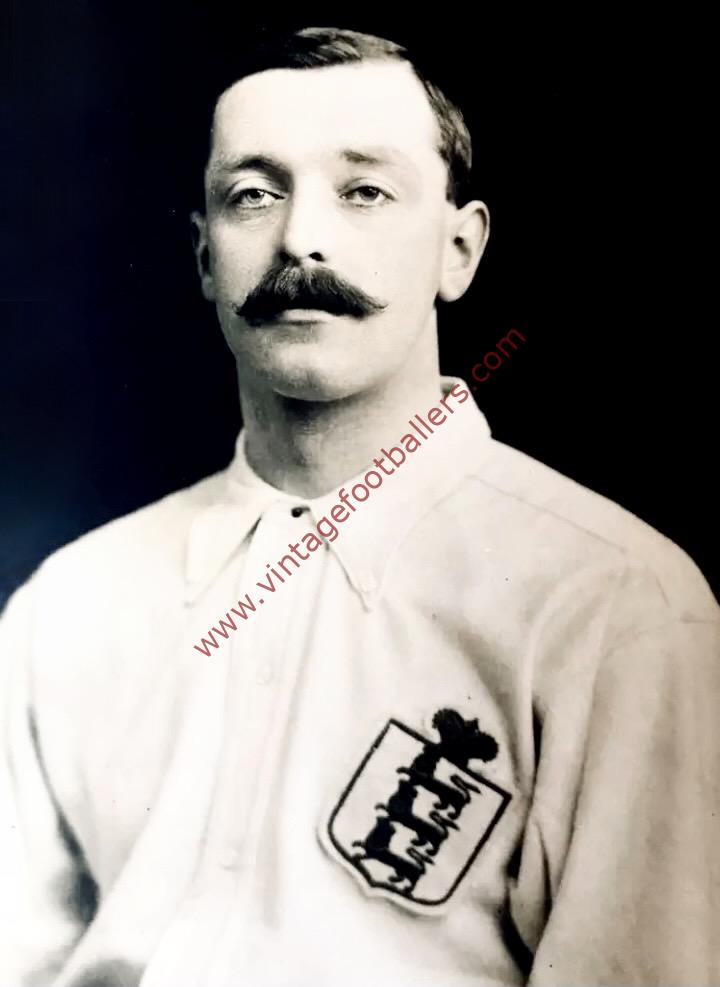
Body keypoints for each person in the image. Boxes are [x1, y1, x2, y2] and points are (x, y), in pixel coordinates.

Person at [1, 25, 718, 987]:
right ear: (206, 257)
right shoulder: (70, 602)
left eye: (364, 191)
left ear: (458, 250)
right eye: (253, 194)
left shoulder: (612, 607)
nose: (302, 238)